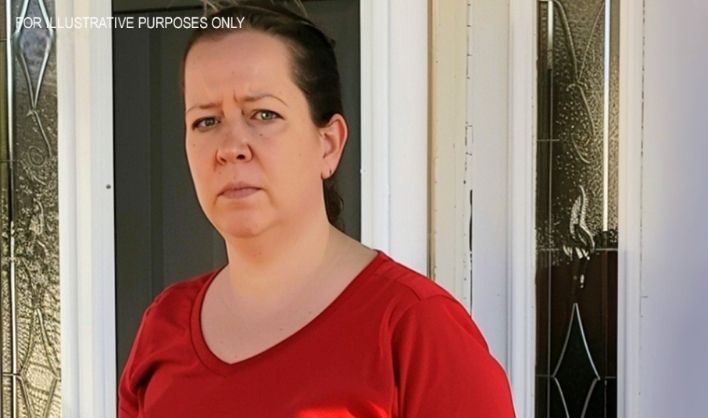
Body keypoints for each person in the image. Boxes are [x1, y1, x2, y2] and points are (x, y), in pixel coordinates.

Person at [118, 1, 516, 417]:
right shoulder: (164, 326)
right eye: (206, 121)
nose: (231, 147)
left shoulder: (415, 327)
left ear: (328, 145)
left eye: (264, 114)